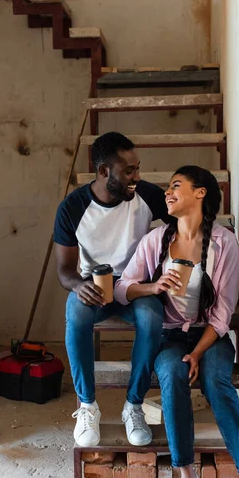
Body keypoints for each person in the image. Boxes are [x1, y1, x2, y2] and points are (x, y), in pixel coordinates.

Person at [114, 165, 239, 478]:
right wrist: (153, 287)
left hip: (209, 336)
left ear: (201, 193)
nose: (168, 192)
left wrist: (198, 354)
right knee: (171, 375)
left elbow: (222, 315)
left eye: (176, 186)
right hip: (170, 337)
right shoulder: (155, 240)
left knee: (218, 381)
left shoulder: (224, 244)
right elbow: (123, 287)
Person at [54, 132, 171, 448]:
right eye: (129, 171)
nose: (138, 176)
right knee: (76, 315)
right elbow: (64, 271)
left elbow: (182, 222)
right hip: (95, 287)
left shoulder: (145, 194)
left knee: (152, 318)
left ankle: (133, 406)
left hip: (134, 285)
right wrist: (80, 286)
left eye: (138, 168)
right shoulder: (73, 208)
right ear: (104, 172)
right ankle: (87, 406)